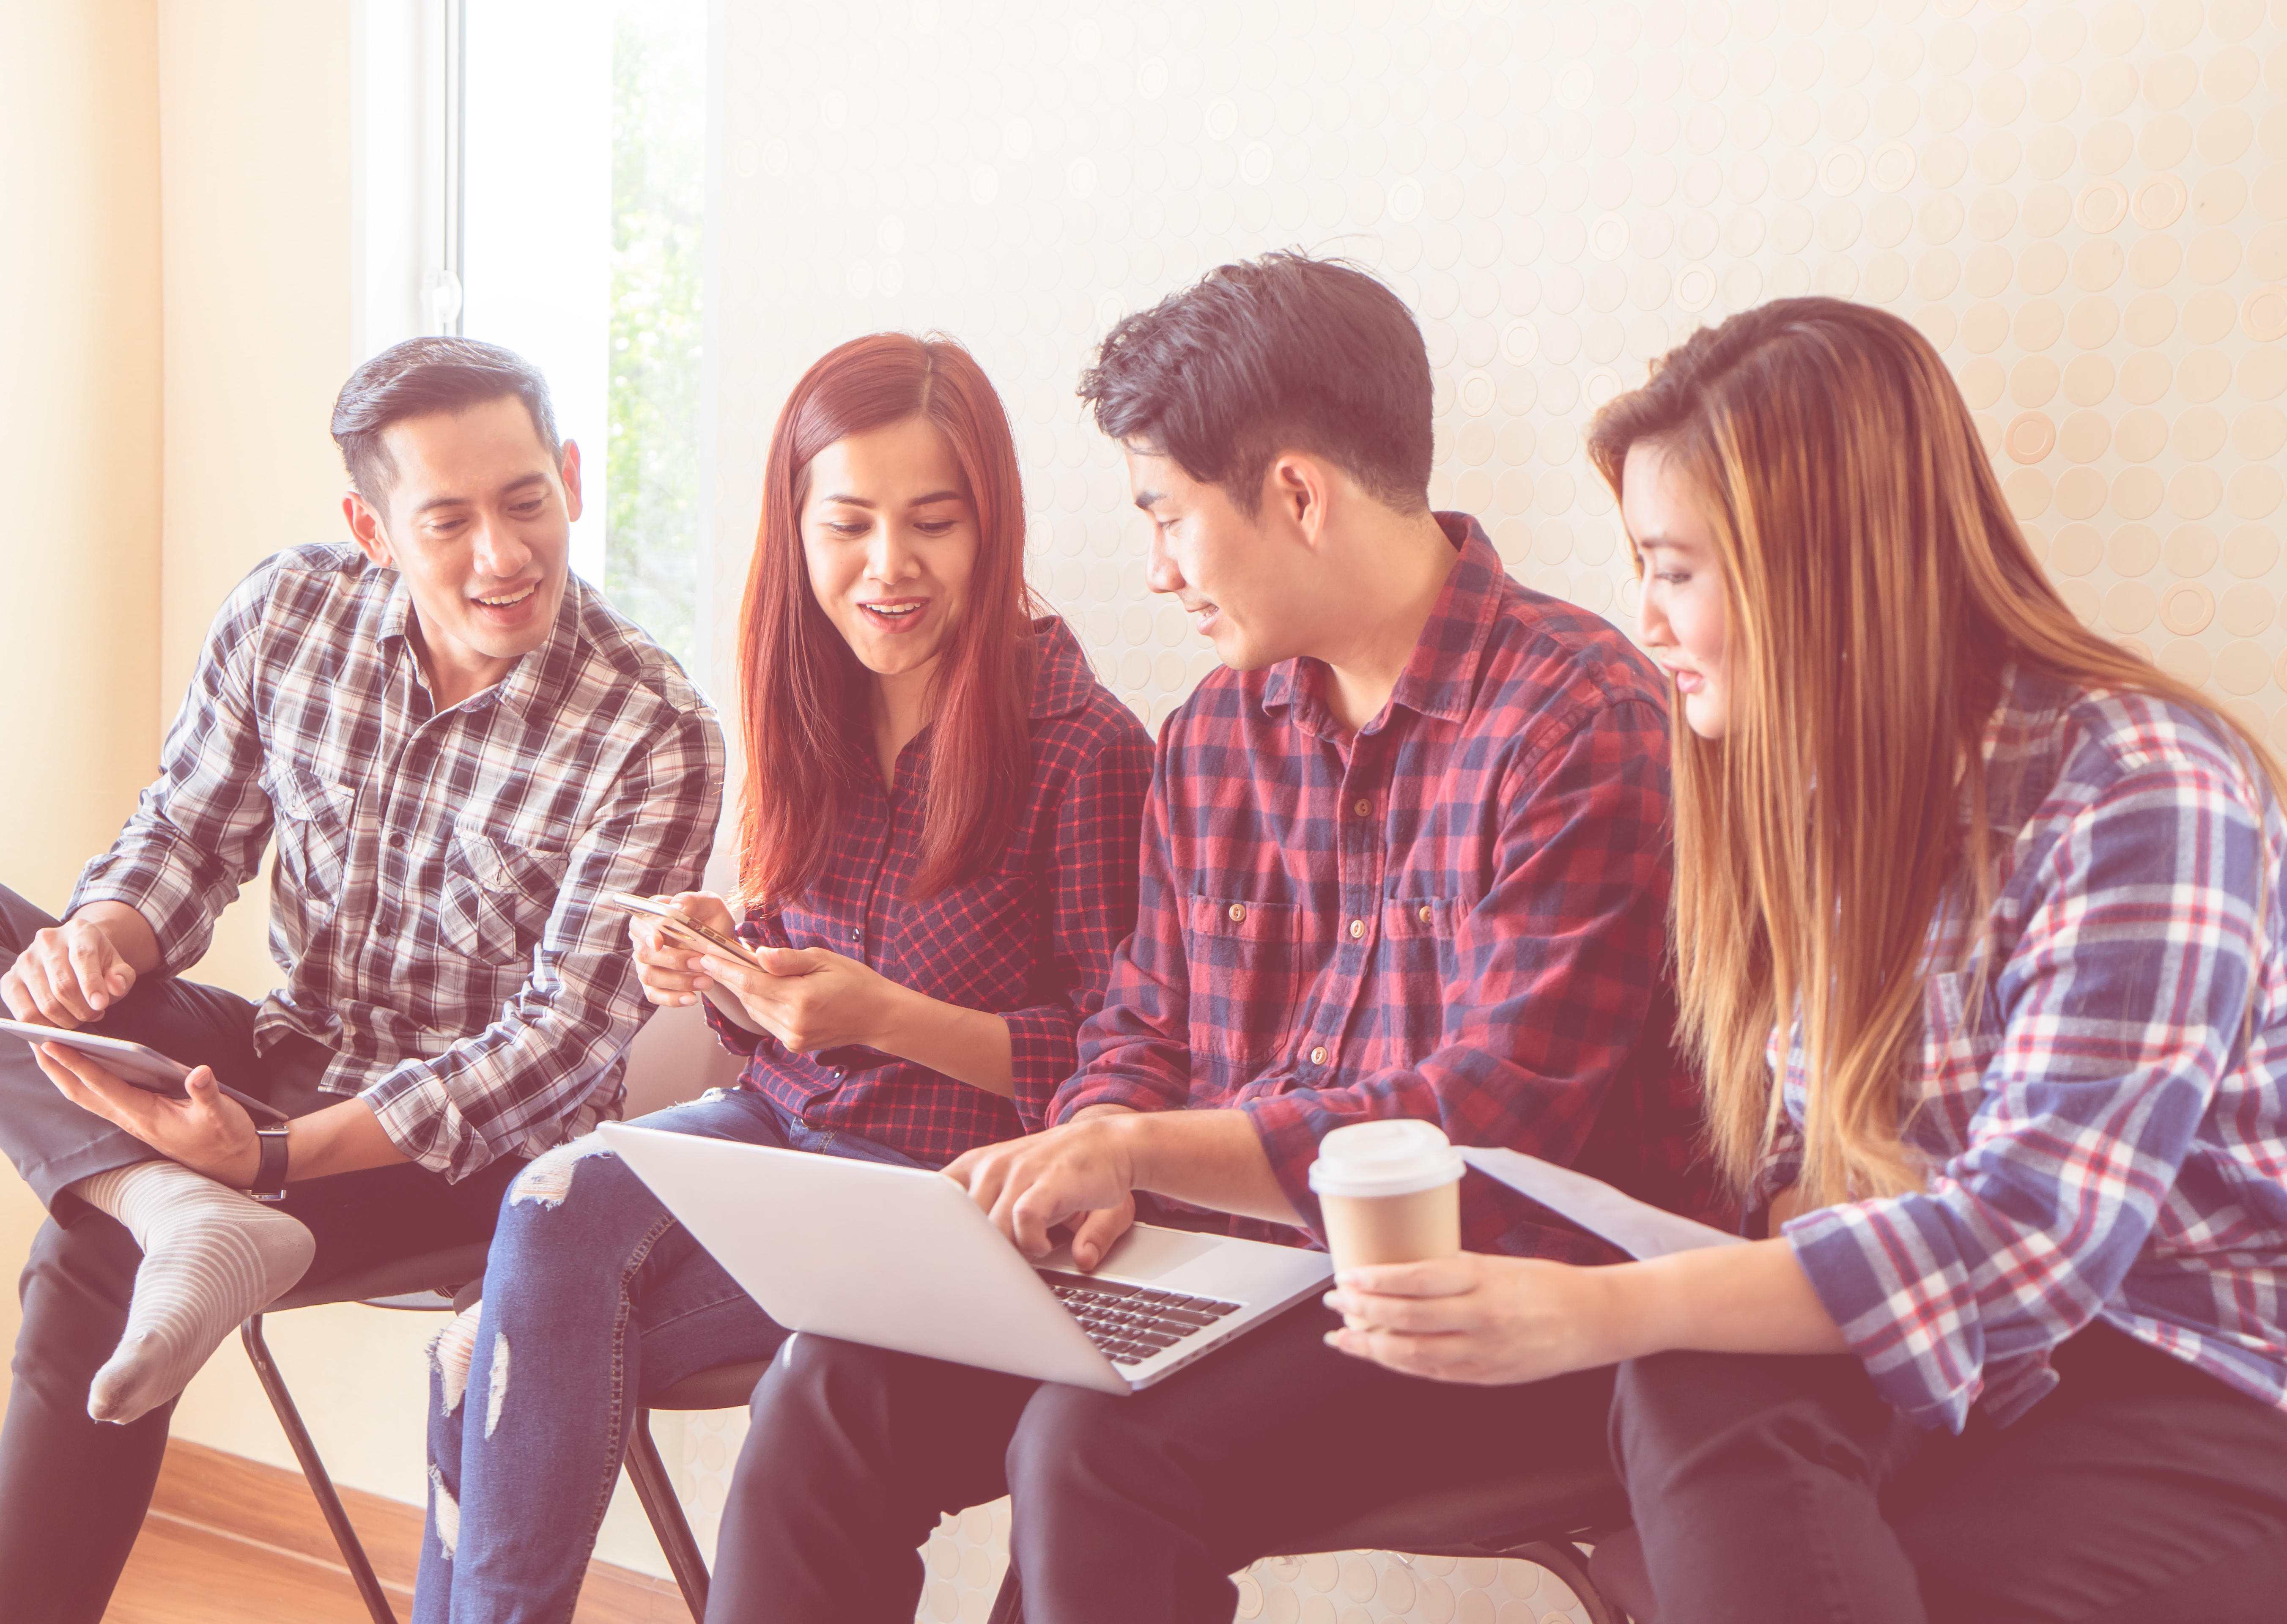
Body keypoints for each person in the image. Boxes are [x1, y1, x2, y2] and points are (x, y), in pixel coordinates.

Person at [701, 253, 1713, 1624]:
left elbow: (1494, 1121)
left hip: (1498, 1308)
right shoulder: (1215, 736)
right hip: (1224, 1274)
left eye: (1169, 518)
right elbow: (1143, 1024)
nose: (1158, 570)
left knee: (1098, 1448)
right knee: (835, 1384)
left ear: (1296, 493)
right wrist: (1097, 1152)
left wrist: (1142, 1148)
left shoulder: (1575, 714)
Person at [1325, 297, 2287, 1622]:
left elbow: (2033, 1236)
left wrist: (1606, 1311)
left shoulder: (2141, 785)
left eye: (1672, 569)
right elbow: (1814, 1182)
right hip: (1962, 1377)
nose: (1644, 622)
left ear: (1818, 563)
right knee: (1692, 1386)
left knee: (1737, 1445)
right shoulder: (1818, 795)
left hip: (2180, 1378)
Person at [412, 332, 1152, 1622]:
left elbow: (1116, 1064)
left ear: (995, 525)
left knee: (481, 1355)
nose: (888, 568)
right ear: (796, 527)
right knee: (533, 1228)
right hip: (780, 1136)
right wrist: (715, 951)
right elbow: (788, 962)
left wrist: (885, 1017)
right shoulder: (809, 705)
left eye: (934, 523)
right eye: (849, 523)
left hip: (943, 1189)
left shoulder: (1083, 745)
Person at [0, 336, 725, 1623]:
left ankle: (171, 1207)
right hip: (281, 1059)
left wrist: (270, 1166)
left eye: (526, 501)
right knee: (19, 959)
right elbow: (185, 833)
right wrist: (99, 939)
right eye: (447, 520)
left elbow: (558, 1046)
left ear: (569, 479)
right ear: (372, 527)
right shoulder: (290, 610)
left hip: (467, 1156)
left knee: (81, 1257)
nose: (502, 555)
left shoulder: (651, 730)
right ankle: (172, 1204)